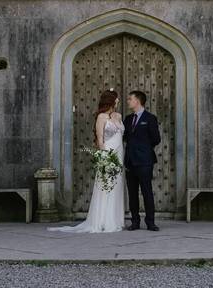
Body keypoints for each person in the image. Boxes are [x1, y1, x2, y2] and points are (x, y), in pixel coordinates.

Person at [48, 90, 125, 233]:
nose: (118, 101)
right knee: (106, 187)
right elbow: (100, 139)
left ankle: (114, 219)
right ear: (111, 100)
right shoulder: (101, 117)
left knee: (116, 186)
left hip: (120, 155)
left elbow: (121, 135)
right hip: (108, 155)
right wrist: (105, 158)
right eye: (116, 99)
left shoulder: (119, 116)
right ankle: (102, 220)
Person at [123, 90, 161, 231]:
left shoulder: (150, 118)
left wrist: (143, 148)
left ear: (137, 101)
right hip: (130, 162)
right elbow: (125, 137)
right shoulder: (127, 119)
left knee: (147, 191)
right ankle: (135, 221)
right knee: (132, 193)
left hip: (145, 161)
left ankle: (150, 222)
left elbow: (156, 139)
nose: (128, 101)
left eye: (130, 99)